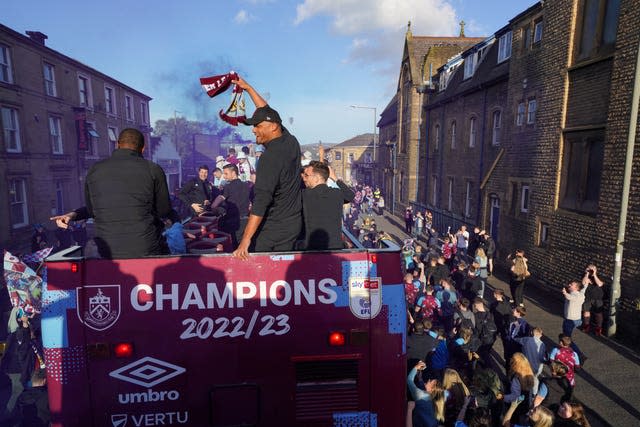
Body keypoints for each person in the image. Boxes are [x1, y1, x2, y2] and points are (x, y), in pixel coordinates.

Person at [50, 128, 172, 259]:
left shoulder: (95, 170)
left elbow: (92, 210)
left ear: (117, 144)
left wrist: (73, 215)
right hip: (146, 249)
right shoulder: (153, 169)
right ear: (143, 148)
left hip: (107, 251)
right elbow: (163, 210)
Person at [231, 76, 302, 259]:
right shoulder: (290, 141)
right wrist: (247, 88)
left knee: (263, 271)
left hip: (274, 229)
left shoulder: (269, 158)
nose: (254, 130)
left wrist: (246, 240)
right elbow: (265, 110)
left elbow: (261, 201)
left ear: (273, 127)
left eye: (258, 126)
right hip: (293, 223)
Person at [301, 161, 355, 250]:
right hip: (335, 247)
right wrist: (335, 178)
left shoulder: (305, 194)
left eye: (306, 175)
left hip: (312, 248)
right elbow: (350, 195)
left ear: (317, 178)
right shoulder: (336, 194)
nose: (304, 178)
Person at [213, 163, 252, 248]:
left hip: (234, 223)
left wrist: (213, 206)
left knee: (234, 246)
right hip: (246, 221)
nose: (224, 176)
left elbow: (220, 199)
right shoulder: (246, 185)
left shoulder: (228, 187)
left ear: (234, 173)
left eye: (226, 174)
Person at [407, 361, 446, 427]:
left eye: (430, 381)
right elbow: (425, 392)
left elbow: (409, 380)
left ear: (432, 390)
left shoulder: (420, 395)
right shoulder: (437, 400)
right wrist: (420, 379)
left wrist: (415, 368)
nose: (428, 380)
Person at [561, 281, 588, 361]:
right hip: (577, 320)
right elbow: (584, 288)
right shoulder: (581, 293)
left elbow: (570, 297)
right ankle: (567, 350)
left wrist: (565, 293)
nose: (569, 285)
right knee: (565, 337)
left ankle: (579, 355)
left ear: (576, 288)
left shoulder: (574, 295)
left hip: (570, 321)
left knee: (566, 339)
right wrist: (586, 279)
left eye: (571, 285)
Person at [580, 264, 605, 336]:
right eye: (589, 269)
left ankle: (598, 328)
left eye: (592, 269)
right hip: (587, 297)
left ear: (595, 269)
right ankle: (586, 326)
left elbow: (600, 284)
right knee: (586, 312)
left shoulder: (599, 275)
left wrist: (594, 275)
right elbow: (583, 283)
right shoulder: (585, 275)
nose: (590, 270)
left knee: (598, 314)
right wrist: (587, 274)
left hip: (597, 298)